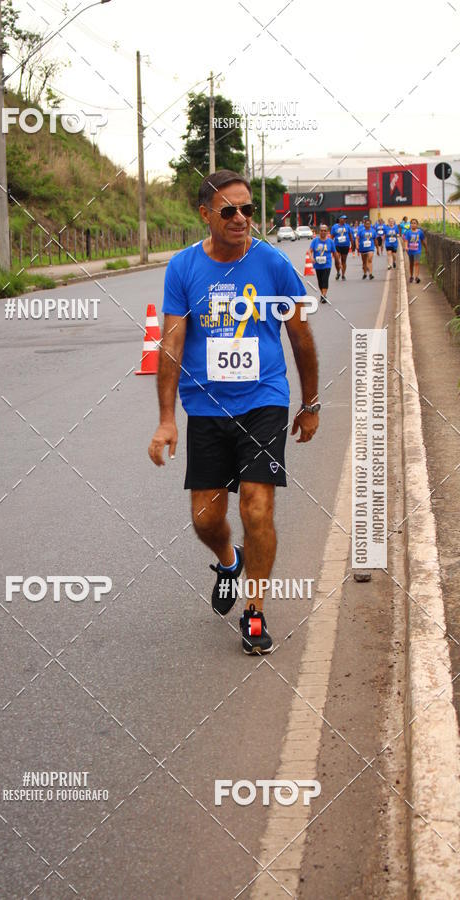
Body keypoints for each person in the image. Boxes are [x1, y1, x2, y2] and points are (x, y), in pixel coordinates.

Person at [148, 170, 320, 655]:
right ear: (206, 215)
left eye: (247, 210)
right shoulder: (183, 269)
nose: (242, 218)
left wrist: (310, 403)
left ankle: (256, 611)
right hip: (206, 407)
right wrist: (166, 418)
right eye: (230, 211)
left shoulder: (272, 264)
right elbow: (172, 343)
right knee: (205, 518)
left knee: (257, 505)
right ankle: (228, 560)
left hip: (264, 399)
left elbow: (300, 335)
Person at [309, 223, 336, 302]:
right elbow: (310, 251)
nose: (323, 232)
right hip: (317, 265)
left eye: (325, 231)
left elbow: (335, 253)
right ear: (319, 232)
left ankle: (323, 295)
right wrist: (311, 257)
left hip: (327, 264)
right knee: (320, 281)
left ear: (327, 232)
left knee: (325, 279)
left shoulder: (330, 242)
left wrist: (338, 262)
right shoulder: (315, 241)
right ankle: (322, 294)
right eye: (321, 231)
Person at [330, 214, 353, 280]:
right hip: (337, 245)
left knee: (344, 260)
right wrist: (329, 245)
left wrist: (352, 244)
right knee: (337, 260)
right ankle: (338, 272)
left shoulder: (347, 226)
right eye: (343, 218)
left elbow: (350, 236)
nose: (344, 220)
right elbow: (331, 237)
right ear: (339, 219)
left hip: (345, 245)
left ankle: (343, 275)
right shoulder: (334, 227)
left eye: (345, 219)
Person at [404, 218, 426, 283]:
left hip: (417, 250)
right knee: (411, 263)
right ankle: (411, 276)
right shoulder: (408, 232)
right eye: (412, 223)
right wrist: (406, 247)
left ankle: (416, 277)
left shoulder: (420, 232)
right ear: (410, 224)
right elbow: (406, 240)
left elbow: (423, 240)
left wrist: (426, 248)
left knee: (417, 263)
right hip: (410, 250)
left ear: (417, 224)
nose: (413, 224)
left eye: (414, 223)